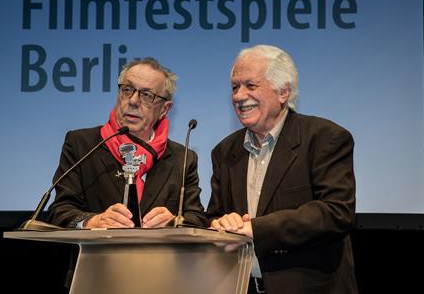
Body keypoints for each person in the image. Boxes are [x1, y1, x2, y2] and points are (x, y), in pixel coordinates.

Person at [206, 45, 358, 294]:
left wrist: (256, 229)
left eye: (250, 86)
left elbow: (335, 212)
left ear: (283, 92)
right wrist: (221, 222)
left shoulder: (324, 138)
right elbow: (213, 216)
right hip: (242, 287)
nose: (238, 96)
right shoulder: (224, 151)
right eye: (235, 87)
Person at [47, 57, 207, 229]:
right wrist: (90, 222)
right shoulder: (81, 145)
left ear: (164, 109)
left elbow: (197, 218)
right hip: (97, 254)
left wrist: (174, 221)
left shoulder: (183, 158)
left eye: (146, 95)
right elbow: (60, 210)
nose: (133, 101)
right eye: (127, 89)